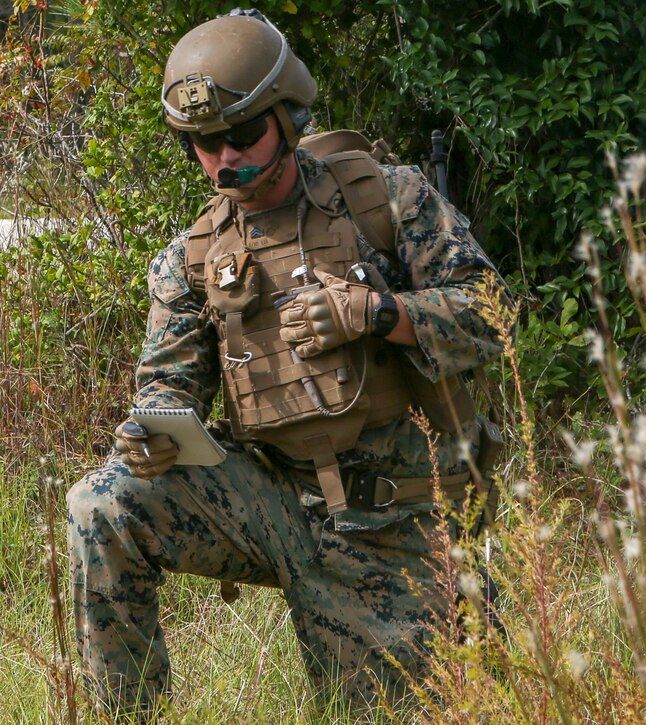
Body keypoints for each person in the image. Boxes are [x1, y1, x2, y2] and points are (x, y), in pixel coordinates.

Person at [66, 8, 508, 716]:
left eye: (241, 134)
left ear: (287, 115)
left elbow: (495, 312)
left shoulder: (384, 201)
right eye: (203, 144)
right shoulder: (193, 258)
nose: (223, 158)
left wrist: (380, 314)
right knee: (102, 502)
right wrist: (150, 432)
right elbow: (168, 382)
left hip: (390, 522)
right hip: (272, 506)